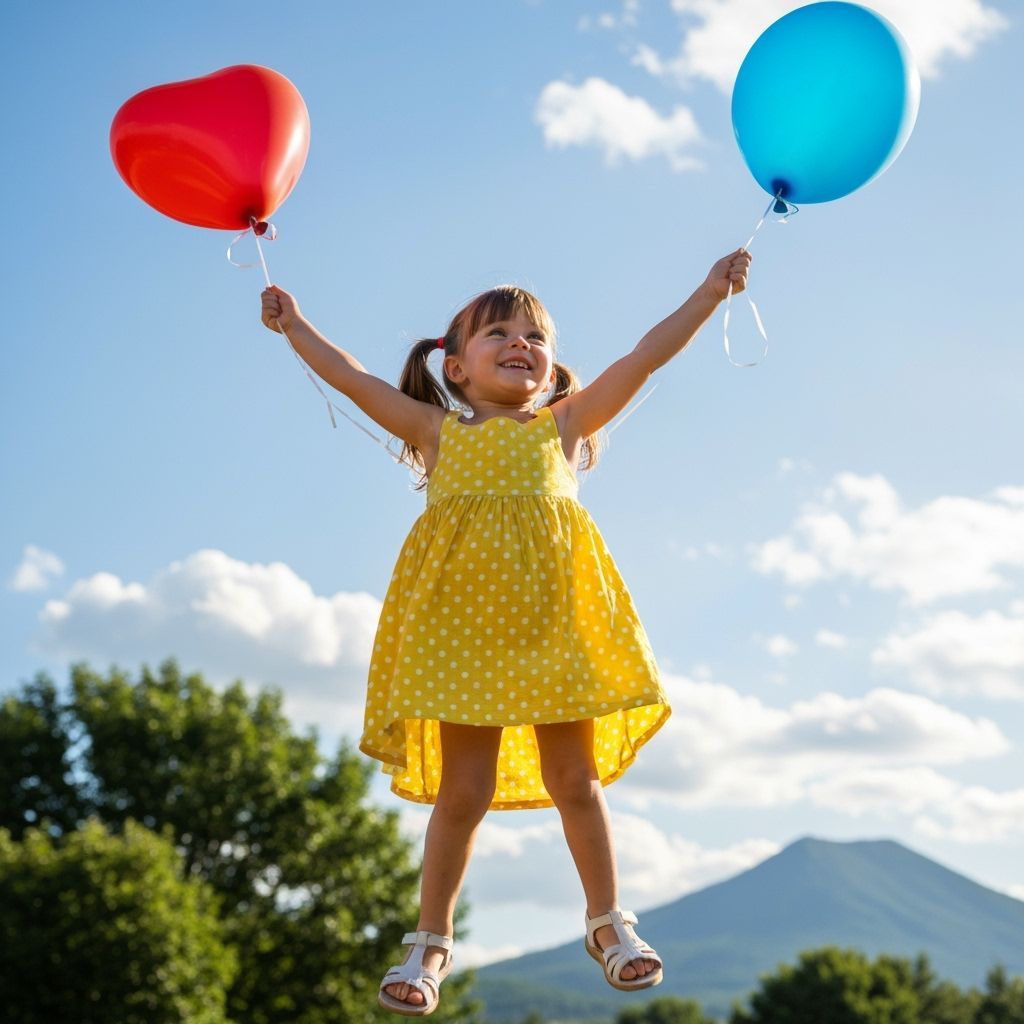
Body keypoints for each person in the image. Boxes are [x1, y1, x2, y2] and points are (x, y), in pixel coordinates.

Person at [260, 247, 751, 1016]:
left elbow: (645, 356)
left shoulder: (565, 426)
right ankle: (429, 943)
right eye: (498, 335)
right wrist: (296, 328)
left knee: (576, 783)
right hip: (465, 636)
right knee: (463, 793)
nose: (521, 344)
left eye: (535, 336)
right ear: (454, 368)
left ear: (554, 371)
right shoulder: (435, 432)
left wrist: (710, 291)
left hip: (557, 629)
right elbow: (352, 379)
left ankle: (608, 925)